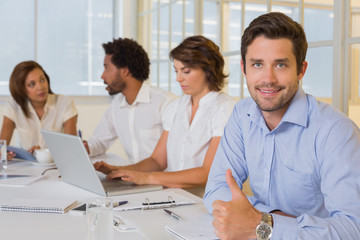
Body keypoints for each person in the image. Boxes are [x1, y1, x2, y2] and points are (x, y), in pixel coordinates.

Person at [203, 12, 360, 240]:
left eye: (280, 65)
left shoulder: (336, 131)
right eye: (257, 64)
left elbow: (354, 229)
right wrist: (267, 220)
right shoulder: (242, 114)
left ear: (301, 70)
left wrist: (261, 224)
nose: (268, 78)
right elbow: (216, 188)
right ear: (244, 68)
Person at [95, 35, 235, 194]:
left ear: (208, 70)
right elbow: (157, 161)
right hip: (174, 196)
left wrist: (146, 178)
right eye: (177, 71)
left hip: (207, 202)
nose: (178, 78)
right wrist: (120, 171)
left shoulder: (224, 109)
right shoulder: (175, 107)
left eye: (186, 71)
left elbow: (207, 172)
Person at [83, 38, 175, 163]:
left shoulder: (165, 103)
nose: (102, 76)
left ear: (125, 71)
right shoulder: (117, 104)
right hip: (135, 178)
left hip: (162, 180)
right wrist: (86, 147)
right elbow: (100, 141)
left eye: (107, 69)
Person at [0, 61, 78, 157]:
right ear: (21, 89)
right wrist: (4, 154)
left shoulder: (64, 103)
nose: (41, 87)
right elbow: (2, 146)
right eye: (32, 84)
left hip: (55, 167)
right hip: (24, 167)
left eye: (42, 80)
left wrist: (44, 152)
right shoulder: (14, 106)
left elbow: (72, 148)